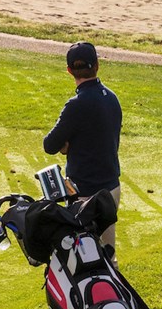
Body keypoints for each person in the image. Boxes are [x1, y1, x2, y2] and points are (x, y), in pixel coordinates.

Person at [43, 41, 122, 250]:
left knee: (87, 259)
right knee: (107, 254)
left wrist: (66, 145)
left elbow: (50, 145)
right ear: (96, 65)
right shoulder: (112, 98)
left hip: (86, 194)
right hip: (111, 187)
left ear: (69, 71)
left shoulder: (76, 105)